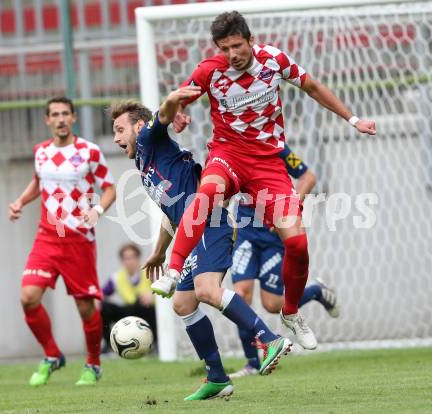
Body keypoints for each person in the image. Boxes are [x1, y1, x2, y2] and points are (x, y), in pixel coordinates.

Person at [153, 11, 376, 350]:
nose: (232, 54)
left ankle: (291, 313)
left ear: (251, 40)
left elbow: (313, 87)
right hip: (228, 154)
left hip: (269, 163)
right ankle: (174, 270)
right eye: (225, 48)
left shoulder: (274, 61)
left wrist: (353, 119)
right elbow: (174, 104)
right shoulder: (210, 72)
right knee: (207, 193)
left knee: (298, 245)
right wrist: (176, 115)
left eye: (237, 46)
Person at [109, 87, 291, 401]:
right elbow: (172, 215)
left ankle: (269, 337)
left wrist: (174, 98)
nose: (115, 138)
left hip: (211, 224)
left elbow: (163, 114)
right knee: (183, 303)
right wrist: (158, 252)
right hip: (192, 231)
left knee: (207, 291)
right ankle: (218, 378)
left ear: (139, 127)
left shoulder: (151, 138)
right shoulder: (144, 164)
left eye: (119, 130)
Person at [8, 96, 116, 386]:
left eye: (65, 113)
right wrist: (20, 201)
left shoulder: (89, 151)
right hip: (47, 236)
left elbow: (109, 188)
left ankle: (93, 364)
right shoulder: (41, 152)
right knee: (28, 297)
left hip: (78, 239)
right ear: (47, 120)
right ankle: (53, 355)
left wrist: (97, 210)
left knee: (85, 308)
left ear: (73, 117)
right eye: (54, 114)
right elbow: (38, 182)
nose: (60, 119)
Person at [229, 144, 340, 378]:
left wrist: (289, 205)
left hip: (273, 237)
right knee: (241, 295)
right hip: (246, 233)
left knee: (272, 304)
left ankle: (317, 291)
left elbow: (308, 176)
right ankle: (252, 362)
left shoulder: (272, 144)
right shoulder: (227, 147)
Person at [101, 243, 156, 353]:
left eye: (132, 257)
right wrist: (95, 300)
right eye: (126, 258)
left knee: (145, 305)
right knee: (103, 307)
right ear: (122, 261)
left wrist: (154, 295)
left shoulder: (150, 272)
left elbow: (166, 291)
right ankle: (109, 345)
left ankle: (156, 344)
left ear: (138, 258)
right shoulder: (116, 277)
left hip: (146, 312)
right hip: (128, 313)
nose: (129, 261)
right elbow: (102, 294)